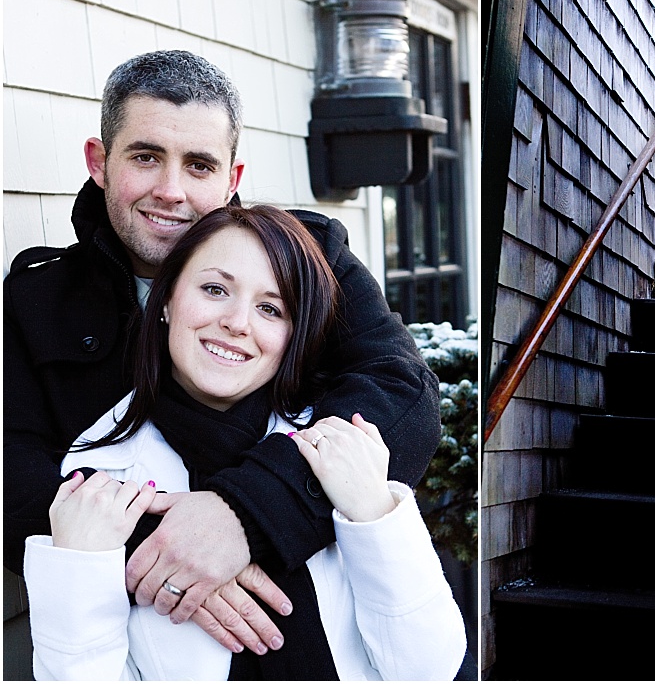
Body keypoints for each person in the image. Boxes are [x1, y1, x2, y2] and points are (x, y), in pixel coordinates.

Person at [4, 51, 441, 657]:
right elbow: (12, 474)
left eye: (199, 165)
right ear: (99, 162)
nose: (171, 191)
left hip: (325, 629)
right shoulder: (35, 301)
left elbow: (401, 393)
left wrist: (250, 512)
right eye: (146, 156)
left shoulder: (310, 261)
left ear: (232, 180)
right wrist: (166, 554)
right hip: (130, 645)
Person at [22, 205, 467, 680]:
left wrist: (375, 512)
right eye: (215, 289)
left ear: (293, 335)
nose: (238, 322)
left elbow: (429, 668)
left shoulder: (337, 451)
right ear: (167, 300)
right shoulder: (97, 478)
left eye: (271, 308)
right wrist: (80, 568)